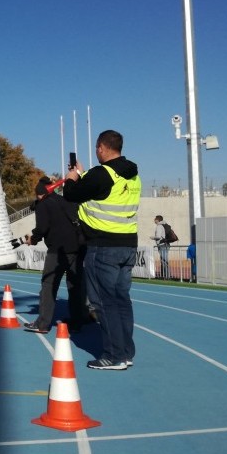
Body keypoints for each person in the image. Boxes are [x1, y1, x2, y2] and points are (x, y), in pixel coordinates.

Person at [63, 129, 141, 371]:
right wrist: (83, 174)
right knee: (121, 300)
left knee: (104, 302)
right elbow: (102, 191)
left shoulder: (101, 174)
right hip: (128, 244)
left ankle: (114, 355)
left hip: (103, 246)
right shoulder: (133, 175)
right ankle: (126, 352)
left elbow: (70, 194)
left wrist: (71, 177)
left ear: (101, 147)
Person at [22, 176, 88, 334]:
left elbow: (42, 228)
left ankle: (42, 324)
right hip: (78, 247)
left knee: (49, 285)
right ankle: (77, 321)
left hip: (58, 250)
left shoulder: (43, 204)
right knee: (75, 286)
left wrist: (33, 239)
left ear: (39, 193)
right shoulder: (65, 200)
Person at [151, 215, 170, 279]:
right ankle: (164, 275)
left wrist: (153, 237)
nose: (154, 220)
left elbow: (158, 236)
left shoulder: (159, 226)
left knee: (164, 261)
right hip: (164, 244)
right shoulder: (163, 225)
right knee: (164, 260)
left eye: (155, 219)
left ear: (157, 220)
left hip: (162, 245)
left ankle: (166, 276)